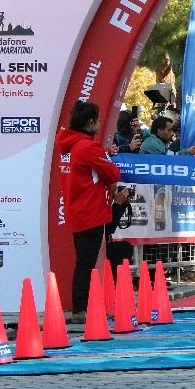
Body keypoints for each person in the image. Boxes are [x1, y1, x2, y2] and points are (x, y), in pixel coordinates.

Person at [55, 101, 122, 322]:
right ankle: (80, 309)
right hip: (90, 211)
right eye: (99, 120)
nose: (100, 124)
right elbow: (112, 173)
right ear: (90, 122)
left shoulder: (68, 145)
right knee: (86, 262)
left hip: (76, 210)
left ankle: (81, 307)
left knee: (83, 261)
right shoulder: (88, 147)